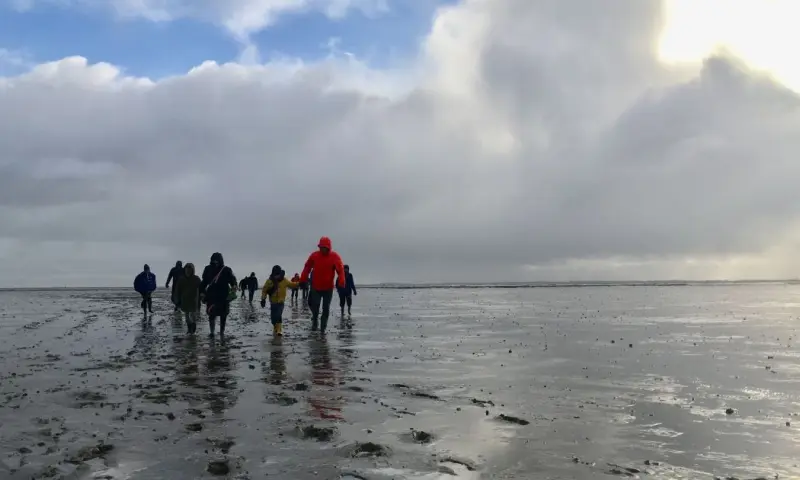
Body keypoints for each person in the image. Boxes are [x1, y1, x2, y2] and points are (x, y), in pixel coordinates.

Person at [300, 236, 345, 334]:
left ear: (328, 247)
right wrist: (303, 279)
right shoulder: (314, 256)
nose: (323, 249)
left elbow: (340, 270)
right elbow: (307, 267)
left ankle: (323, 328)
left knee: (326, 308)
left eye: (325, 247)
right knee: (315, 307)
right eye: (321, 247)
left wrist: (341, 280)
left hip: (328, 288)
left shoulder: (334, 257)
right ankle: (315, 321)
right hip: (316, 287)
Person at [199, 252, 237, 337]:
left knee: (223, 315)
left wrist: (234, 286)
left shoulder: (226, 269)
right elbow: (204, 282)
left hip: (224, 296)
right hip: (211, 296)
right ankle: (212, 332)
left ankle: (222, 332)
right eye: (214, 260)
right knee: (211, 315)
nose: (215, 262)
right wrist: (201, 292)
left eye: (217, 260)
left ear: (220, 260)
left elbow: (232, 280)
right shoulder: (207, 269)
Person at [260, 265, 299, 336]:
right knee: (273, 318)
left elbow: (292, 284)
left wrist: (300, 283)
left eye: (278, 274)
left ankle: (279, 330)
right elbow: (264, 290)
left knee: (278, 315)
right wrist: (263, 299)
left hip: (281, 302)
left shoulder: (284, 280)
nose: (277, 276)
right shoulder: (269, 281)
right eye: (275, 274)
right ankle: (275, 326)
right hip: (273, 302)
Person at [176, 263, 202, 334]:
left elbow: (201, 288)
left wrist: (203, 296)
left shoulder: (196, 279)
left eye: (190, 270)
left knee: (193, 315)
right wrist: (177, 300)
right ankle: (189, 328)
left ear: (192, 270)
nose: (188, 271)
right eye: (187, 270)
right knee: (187, 316)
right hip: (184, 300)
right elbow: (178, 290)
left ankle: (193, 327)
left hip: (194, 300)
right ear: (185, 270)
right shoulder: (181, 279)